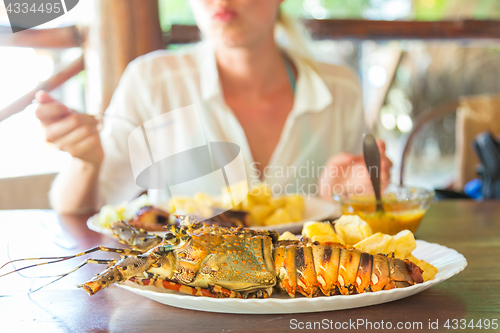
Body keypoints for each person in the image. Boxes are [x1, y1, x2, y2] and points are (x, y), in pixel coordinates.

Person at [35, 0, 391, 214]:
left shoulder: (339, 89)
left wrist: (355, 196)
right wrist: (86, 160)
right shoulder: (152, 82)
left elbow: (355, 211)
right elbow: (82, 209)